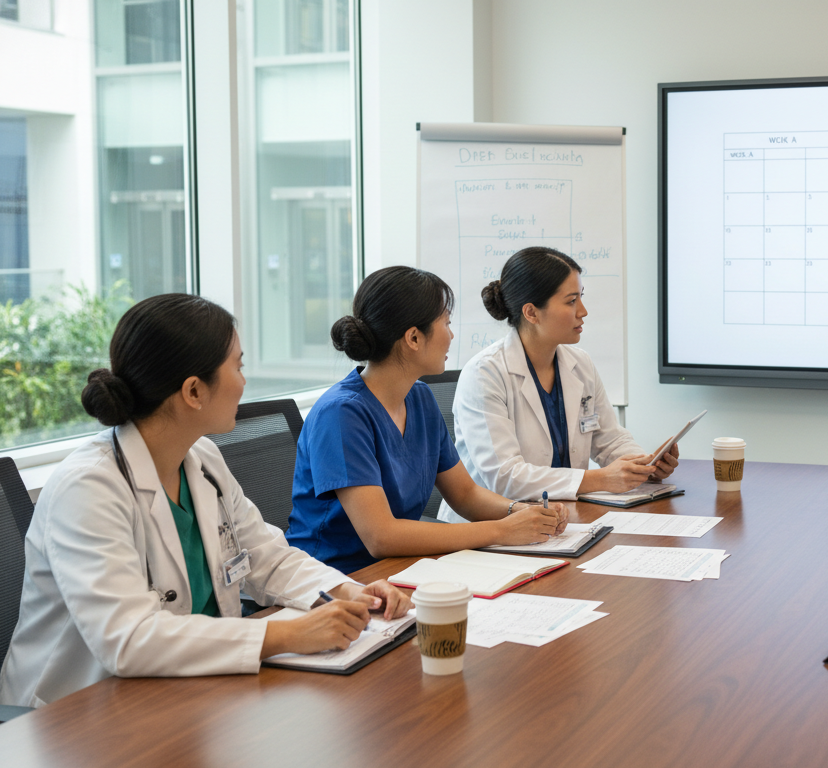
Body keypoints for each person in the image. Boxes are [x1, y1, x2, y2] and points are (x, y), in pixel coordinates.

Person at [0, 294, 411, 709]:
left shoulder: (202, 460)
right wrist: (287, 635)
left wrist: (347, 592)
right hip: (79, 715)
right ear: (194, 391)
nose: (244, 381)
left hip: (192, 692)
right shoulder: (88, 487)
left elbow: (267, 558)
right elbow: (127, 638)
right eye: (238, 365)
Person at [285, 266, 566, 574]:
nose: (452, 334)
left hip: (403, 568)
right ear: (414, 338)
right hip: (337, 579)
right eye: (446, 322)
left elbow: (465, 494)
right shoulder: (341, 414)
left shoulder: (419, 398)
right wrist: (503, 531)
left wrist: (521, 512)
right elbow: (381, 536)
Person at [453, 247, 678, 502]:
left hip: (564, 520)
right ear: (531, 312)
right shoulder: (484, 374)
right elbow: (506, 478)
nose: (583, 311)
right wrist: (602, 479)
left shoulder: (580, 364)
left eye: (581, 297)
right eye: (571, 301)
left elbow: (610, 440)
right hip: (493, 529)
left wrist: (645, 466)